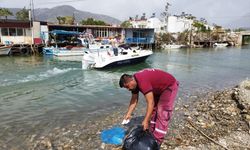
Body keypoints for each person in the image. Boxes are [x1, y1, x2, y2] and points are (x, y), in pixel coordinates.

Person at [119, 68, 179, 145]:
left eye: (127, 86)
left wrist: (146, 121)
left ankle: (157, 140)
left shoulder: (142, 81)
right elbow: (134, 100)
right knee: (154, 110)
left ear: (131, 80)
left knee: (162, 111)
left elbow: (150, 102)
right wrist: (128, 114)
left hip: (169, 86)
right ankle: (152, 130)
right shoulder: (134, 85)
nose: (128, 89)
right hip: (158, 88)